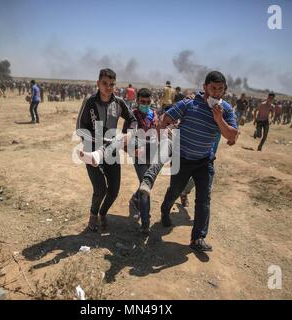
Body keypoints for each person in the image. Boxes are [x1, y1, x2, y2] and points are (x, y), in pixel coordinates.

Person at [156, 71, 238, 252]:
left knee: (204, 198)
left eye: (220, 89)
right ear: (205, 87)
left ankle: (198, 238)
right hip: (182, 157)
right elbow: (165, 118)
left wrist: (219, 119)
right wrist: (162, 135)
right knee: (175, 189)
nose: (216, 93)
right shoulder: (189, 103)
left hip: (204, 161)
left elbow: (232, 136)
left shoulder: (226, 109)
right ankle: (165, 209)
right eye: (213, 88)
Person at [76, 68, 137, 232]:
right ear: (98, 83)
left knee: (114, 190)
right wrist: (92, 142)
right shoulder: (89, 101)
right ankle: (93, 216)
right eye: (105, 83)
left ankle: (103, 213)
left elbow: (132, 119)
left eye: (112, 84)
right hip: (91, 152)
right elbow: (80, 127)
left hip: (112, 152)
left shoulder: (118, 102)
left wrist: (129, 133)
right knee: (100, 189)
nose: (108, 87)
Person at [121, 88, 158, 234]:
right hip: (138, 156)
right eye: (143, 102)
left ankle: (135, 199)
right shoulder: (132, 117)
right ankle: (145, 222)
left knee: (147, 184)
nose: (146, 104)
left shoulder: (154, 114)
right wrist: (132, 151)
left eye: (148, 102)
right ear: (137, 101)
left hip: (152, 155)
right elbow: (124, 140)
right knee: (145, 188)